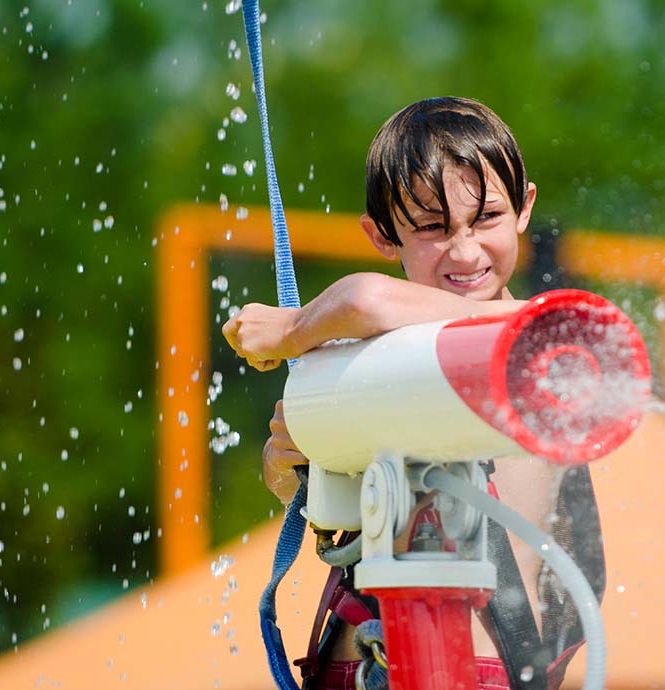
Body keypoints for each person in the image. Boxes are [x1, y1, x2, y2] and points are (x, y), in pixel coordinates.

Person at [223, 96, 604, 690]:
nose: (465, 251)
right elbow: (323, 508)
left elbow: (365, 299)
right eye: (431, 227)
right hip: (349, 667)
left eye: (487, 217)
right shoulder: (378, 355)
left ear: (524, 207)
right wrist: (289, 464)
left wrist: (295, 327)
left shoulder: (538, 346)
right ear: (382, 234)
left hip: (471, 672)